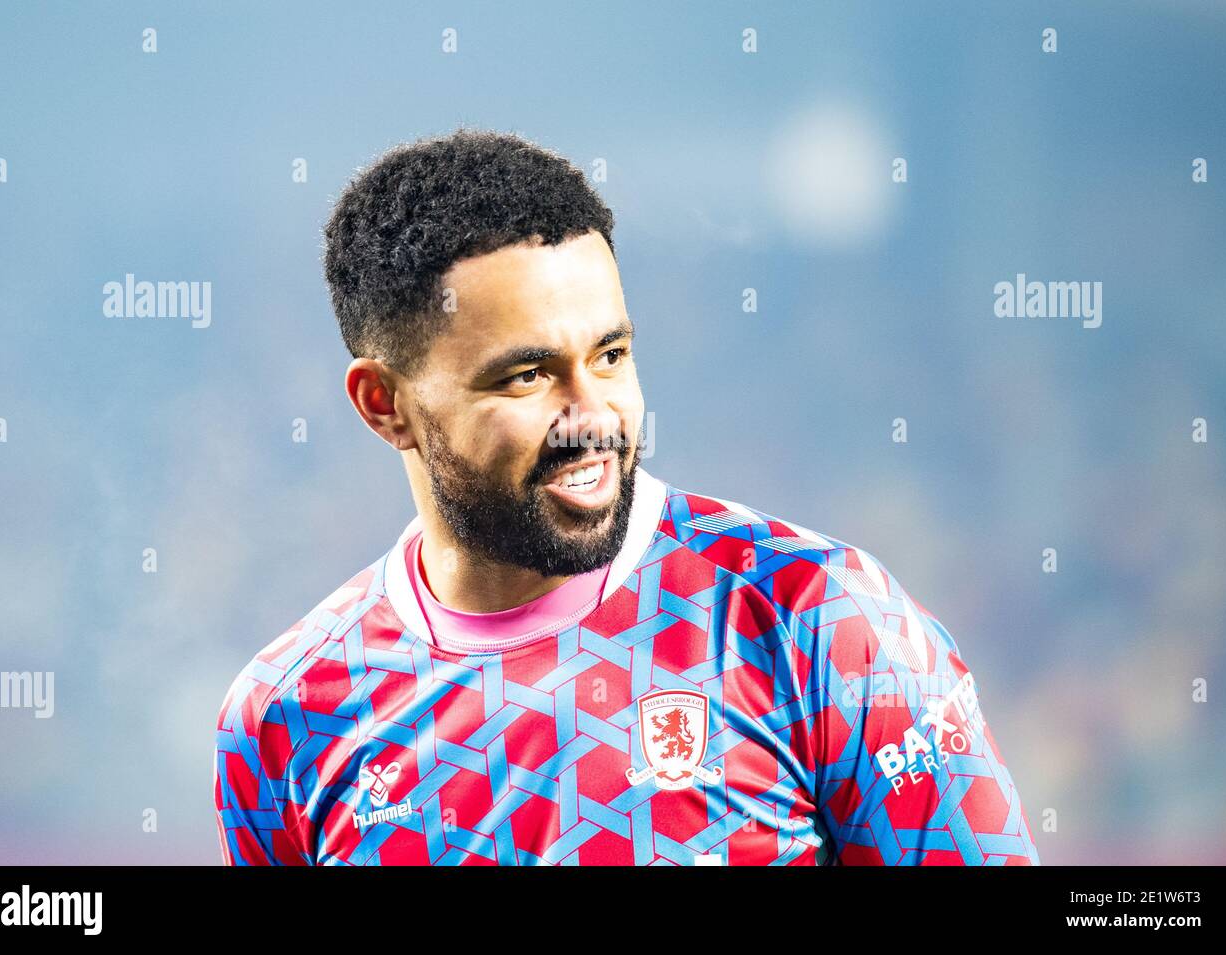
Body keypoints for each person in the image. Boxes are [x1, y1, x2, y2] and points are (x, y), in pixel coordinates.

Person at [213, 127, 1040, 865]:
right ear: (384, 404)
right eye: (529, 374)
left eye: (610, 356)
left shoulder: (815, 618)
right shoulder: (285, 717)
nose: (593, 416)